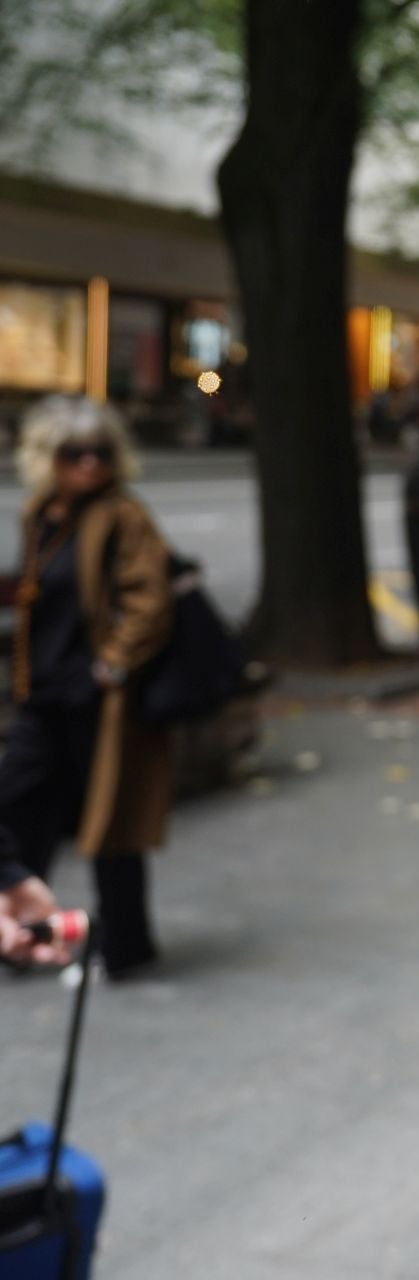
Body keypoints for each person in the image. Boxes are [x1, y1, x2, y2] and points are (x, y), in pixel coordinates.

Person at [4, 397, 173, 979]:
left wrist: (112, 664)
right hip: (42, 696)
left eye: (101, 453)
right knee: (17, 807)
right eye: (73, 453)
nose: (89, 465)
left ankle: (125, 945)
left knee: (111, 826)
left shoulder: (122, 515)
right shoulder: (42, 514)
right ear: (47, 457)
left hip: (101, 702)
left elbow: (150, 600)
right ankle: (21, 930)